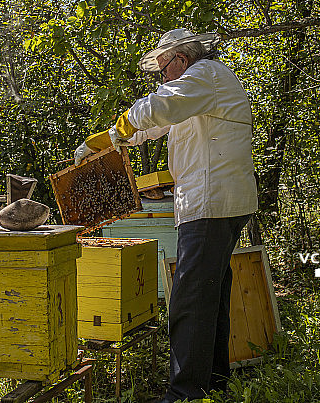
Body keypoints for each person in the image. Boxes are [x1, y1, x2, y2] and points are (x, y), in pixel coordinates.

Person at [74, 28, 258, 402]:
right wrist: (107, 139)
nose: (162, 77)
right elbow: (154, 125)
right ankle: (213, 383)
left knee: (189, 301)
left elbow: (155, 108)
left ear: (182, 59)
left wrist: (118, 129)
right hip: (218, 204)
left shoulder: (203, 77)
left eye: (164, 67)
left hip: (210, 206)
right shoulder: (199, 90)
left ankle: (185, 394)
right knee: (210, 296)